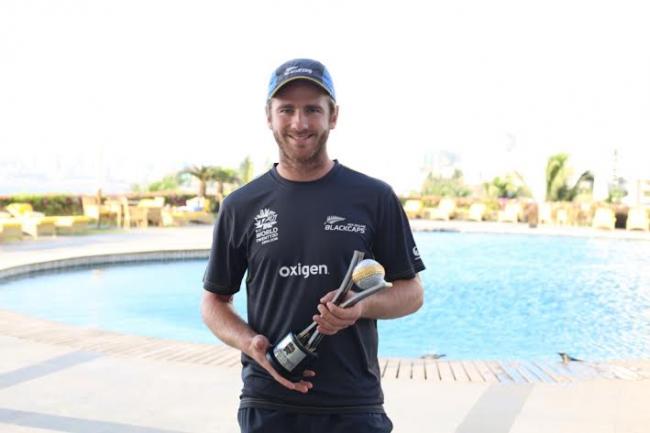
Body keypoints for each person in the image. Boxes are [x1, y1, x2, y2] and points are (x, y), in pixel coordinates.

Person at [201, 58, 425, 433]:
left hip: (353, 406)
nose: (299, 123)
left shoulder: (374, 197)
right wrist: (250, 343)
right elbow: (213, 301)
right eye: (286, 110)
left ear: (333, 116)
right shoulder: (241, 206)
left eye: (312, 110)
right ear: (269, 116)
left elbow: (412, 293)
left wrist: (361, 306)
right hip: (269, 403)